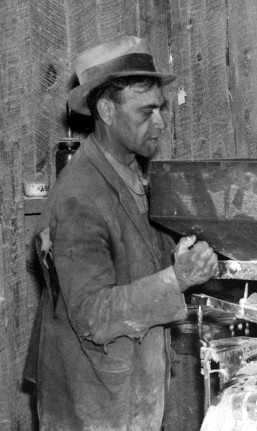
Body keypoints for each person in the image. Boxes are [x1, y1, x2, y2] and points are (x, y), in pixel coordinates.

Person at [25, 36, 219, 430]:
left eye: (161, 109)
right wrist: (177, 278)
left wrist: (175, 255)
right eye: (146, 111)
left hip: (129, 390)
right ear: (107, 110)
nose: (160, 122)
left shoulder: (130, 171)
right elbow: (93, 315)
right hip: (94, 405)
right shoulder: (80, 196)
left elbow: (130, 259)